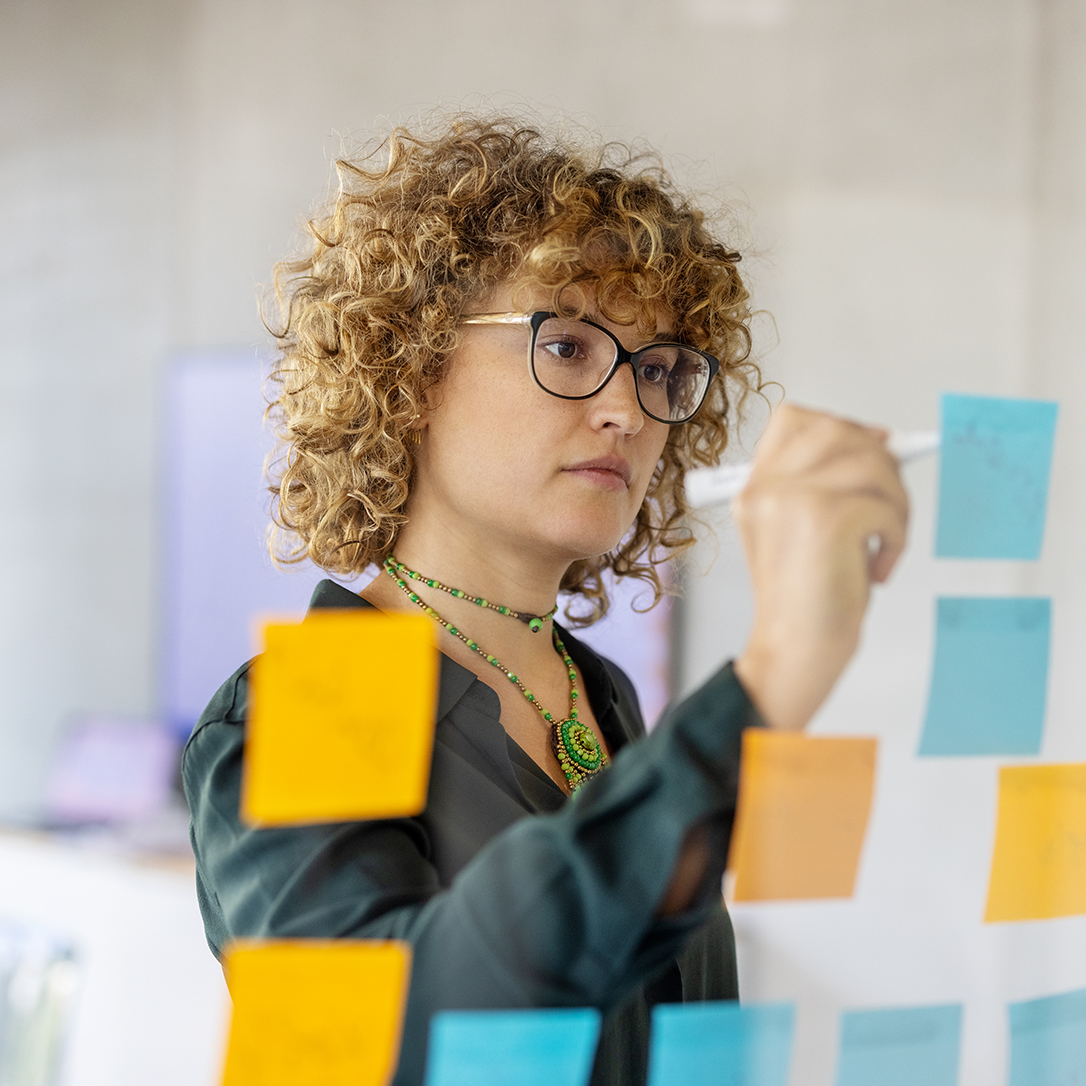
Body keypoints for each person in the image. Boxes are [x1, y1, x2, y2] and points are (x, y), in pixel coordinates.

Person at [182, 114, 909, 1086]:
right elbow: (387, 1040)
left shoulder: (598, 693)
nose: (626, 409)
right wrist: (770, 679)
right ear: (411, 368)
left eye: (658, 371)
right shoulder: (319, 700)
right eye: (567, 346)